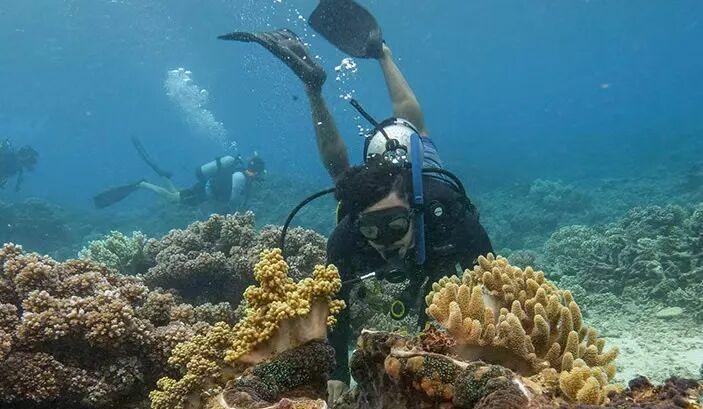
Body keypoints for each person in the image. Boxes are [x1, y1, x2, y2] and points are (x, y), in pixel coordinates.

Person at [221, 0, 493, 400]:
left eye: (395, 225)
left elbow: (489, 281)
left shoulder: (445, 212)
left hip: (413, 168)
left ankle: (381, 52)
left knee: (415, 130)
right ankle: (313, 85)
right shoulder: (349, 237)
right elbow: (338, 305)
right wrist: (335, 372)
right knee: (342, 180)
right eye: (372, 229)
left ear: (414, 209)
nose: (385, 241)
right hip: (369, 192)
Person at [94, 138, 266, 211]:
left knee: (177, 193)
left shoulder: (238, 171)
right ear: (256, 171)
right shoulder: (240, 177)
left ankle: (163, 175)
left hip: (203, 189)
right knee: (173, 198)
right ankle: (143, 184)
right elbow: (232, 200)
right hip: (203, 193)